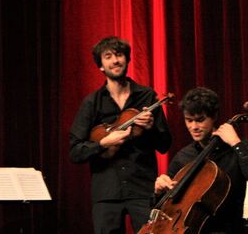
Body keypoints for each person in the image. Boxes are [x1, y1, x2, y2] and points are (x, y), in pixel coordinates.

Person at [69, 36, 172, 233]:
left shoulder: (147, 96)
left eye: (119, 55)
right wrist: (104, 143)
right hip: (106, 192)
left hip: (142, 189)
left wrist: (150, 128)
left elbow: (165, 144)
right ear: (101, 65)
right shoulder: (92, 103)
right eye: (108, 56)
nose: (115, 60)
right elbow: (75, 151)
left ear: (127, 59)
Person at [154, 87, 248, 234]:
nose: (193, 127)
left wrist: (235, 143)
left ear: (214, 116)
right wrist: (158, 192)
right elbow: (163, 209)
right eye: (189, 120)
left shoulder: (240, 146)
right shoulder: (183, 157)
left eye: (200, 120)